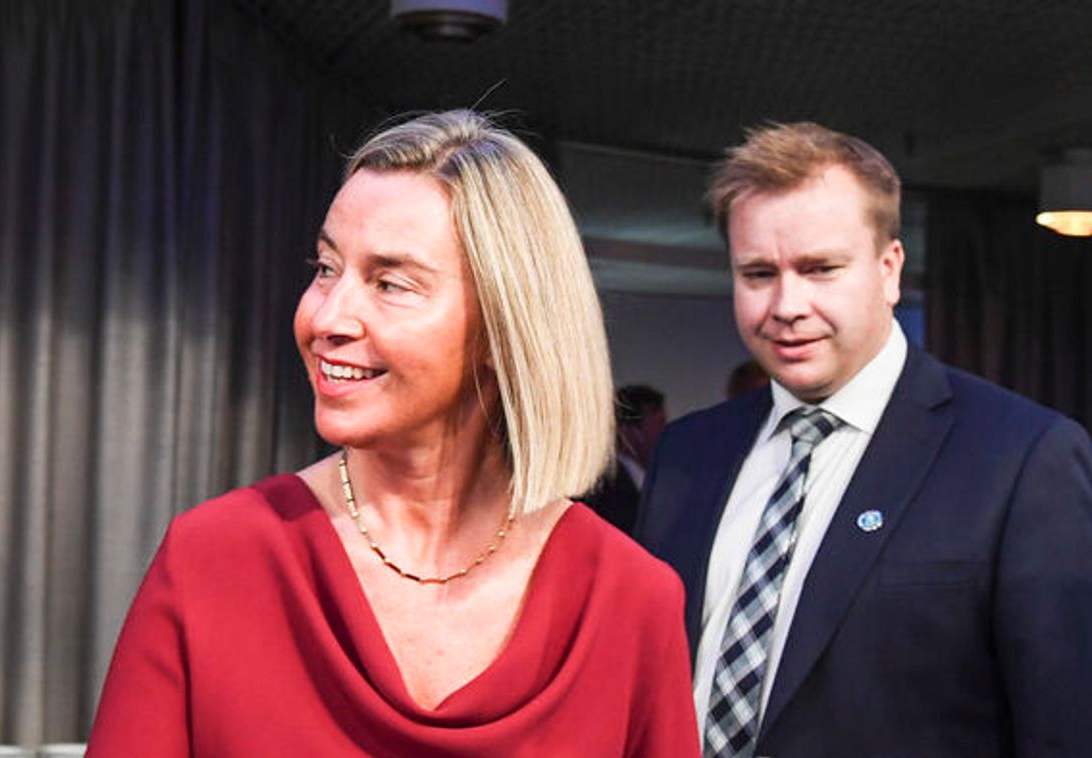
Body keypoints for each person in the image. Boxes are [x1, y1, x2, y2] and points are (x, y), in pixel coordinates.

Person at [88, 111, 699, 757]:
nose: (327, 317)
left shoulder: (629, 599)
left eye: (390, 283)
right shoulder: (214, 558)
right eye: (326, 268)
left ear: (503, 328)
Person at [634, 121, 1092, 757]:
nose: (786, 305)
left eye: (820, 269)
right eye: (757, 274)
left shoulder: (1023, 460)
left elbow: (1074, 734)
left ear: (889, 269)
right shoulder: (688, 454)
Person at [583, 384, 666, 532]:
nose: (664, 434)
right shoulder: (604, 489)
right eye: (659, 425)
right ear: (628, 430)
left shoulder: (656, 482)